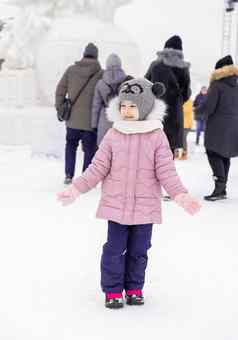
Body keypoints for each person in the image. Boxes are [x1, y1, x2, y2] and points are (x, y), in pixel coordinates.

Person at [58, 78, 201, 309]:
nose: (126, 111)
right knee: (114, 250)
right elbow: (97, 168)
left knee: (139, 251)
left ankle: (134, 288)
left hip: (145, 209)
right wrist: (77, 188)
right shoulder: (114, 135)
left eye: (132, 106)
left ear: (144, 106)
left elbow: (167, 172)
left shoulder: (156, 136)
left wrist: (181, 196)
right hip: (116, 207)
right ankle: (113, 290)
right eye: (123, 106)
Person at [55, 43, 103, 184]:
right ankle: (85, 178)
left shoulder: (71, 70)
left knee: (70, 146)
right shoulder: (101, 73)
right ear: (96, 56)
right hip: (91, 122)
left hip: (72, 120)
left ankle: (69, 175)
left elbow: (60, 90)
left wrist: (61, 107)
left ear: (84, 54)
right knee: (89, 150)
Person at [195, 55, 238, 201]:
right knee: (224, 155)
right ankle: (222, 188)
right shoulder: (236, 85)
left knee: (213, 153)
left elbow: (208, 107)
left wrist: (197, 111)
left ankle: (219, 188)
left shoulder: (217, 85)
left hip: (217, 127)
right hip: (233, 127)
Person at [145, 35, 191, 155]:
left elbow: (145, 85)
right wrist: (177, 99)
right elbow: (186, 93)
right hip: (174, 116)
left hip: (154, 113)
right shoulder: (183, 68)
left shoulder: (155, 65)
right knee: (167, 155)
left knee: (151, 152)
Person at [91, 53, 132, 145]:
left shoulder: (100, 83)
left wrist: (94, 125)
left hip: (105, 118)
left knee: (105, 151)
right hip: (121, 119)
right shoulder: (127, 82)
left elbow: (96, 106)